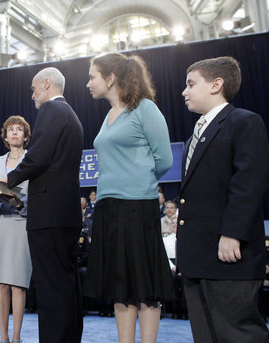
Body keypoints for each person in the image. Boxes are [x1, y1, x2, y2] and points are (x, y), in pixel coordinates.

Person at [178, 56, 269, 342]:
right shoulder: (197, 132)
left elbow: (249, 183)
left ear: (216, 85)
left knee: (237, 333)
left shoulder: (243, 121)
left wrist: (233, 232)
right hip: (198, 257)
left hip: (229, 254)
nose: (185, 91)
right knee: (206, 334)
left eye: (191, 84)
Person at [83, 52, 174, 343]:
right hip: (108, 206)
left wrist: (138, 180)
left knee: (145, 282)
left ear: (110, 78)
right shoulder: (109, 116)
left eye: (92, 76)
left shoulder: (145, 109)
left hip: (138, 205)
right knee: (120, 283)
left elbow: (164, 160)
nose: (88, 83)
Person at [6, 67, 84, 343]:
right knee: (66, 286)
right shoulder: (71, 114)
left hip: (49, 213)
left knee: (51, 289)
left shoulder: (51, 111)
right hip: (66, 213)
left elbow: (37, 157)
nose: (32, 95)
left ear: (47, 84)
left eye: (34, 88)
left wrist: (7, 181)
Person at [0, 115, 32, 343]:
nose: (14, 133)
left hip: (21, 222)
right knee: (1, 282)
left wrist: (20, 202)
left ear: (25, 136)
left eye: (19, 130)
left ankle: (17, 336)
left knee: (17, 282)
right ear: (5, 136)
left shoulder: (32, 160)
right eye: (10, 129)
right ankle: (3, 337)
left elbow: (36, 194)